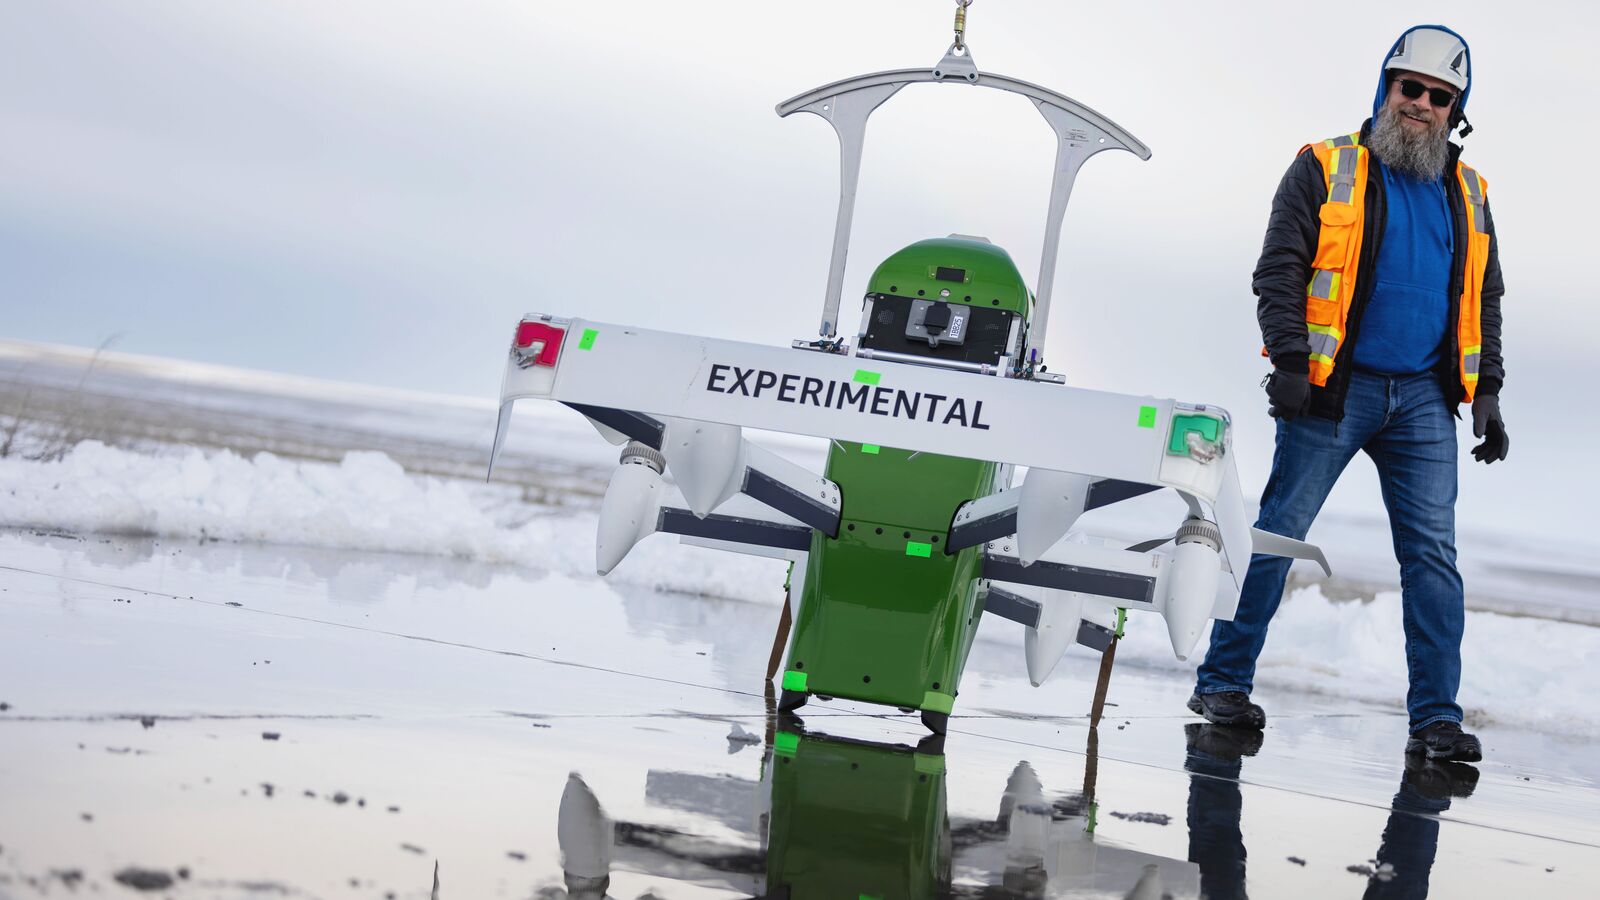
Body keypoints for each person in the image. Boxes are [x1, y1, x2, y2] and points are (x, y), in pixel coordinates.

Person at [1187, 24, 1507, 763]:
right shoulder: (1325, 166)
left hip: (1427, 400)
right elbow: (1280, 268)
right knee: (1275, 534)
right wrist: (1292, 361)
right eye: (1410, 88)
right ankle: (1222, 682)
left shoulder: (1471, 192)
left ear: (1455, 108)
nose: (1421, 104)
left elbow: (1484, 296)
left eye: (1439, 96)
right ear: (1386, 88)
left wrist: (1486, 390)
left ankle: (1435, 722)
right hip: (1334, 392)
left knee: (1433, 559)